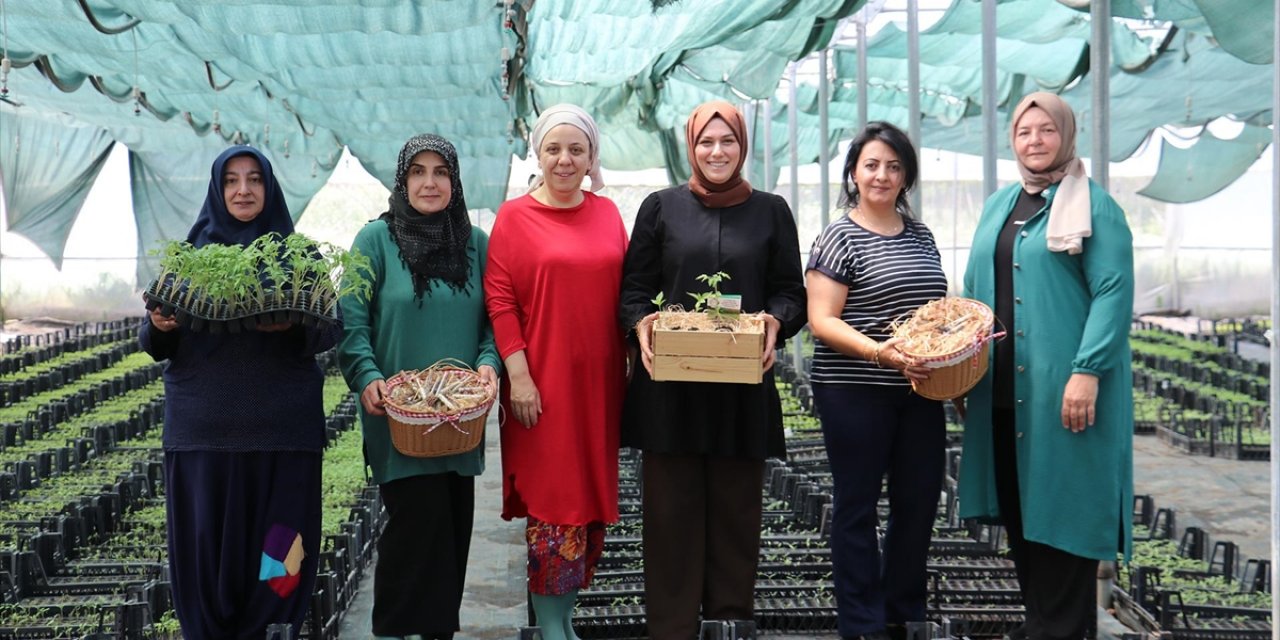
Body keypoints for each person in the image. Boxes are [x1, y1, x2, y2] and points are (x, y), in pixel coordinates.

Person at [621, 100, 807, 639]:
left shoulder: (771, 211)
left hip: (741, 389)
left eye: (727, 141)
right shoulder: (661, 208)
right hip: (673, 389)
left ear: (743, 146)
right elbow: (634, 289)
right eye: (707, 142)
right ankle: (673, 629)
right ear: (691, 147)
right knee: (670, 519)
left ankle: (730, 623)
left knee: (736, 517)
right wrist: (643, 325)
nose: (717, 151)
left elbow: (790, 291)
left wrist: (776, 323)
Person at [140, 145, 340, 640]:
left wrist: (293, 324)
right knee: (203, 550)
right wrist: (159, 321)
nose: (243, 190)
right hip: (203, 435)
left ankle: (271, 628)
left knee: (281, 553)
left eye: (254, 180)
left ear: (270, 189)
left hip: (282, 436)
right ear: (217, 189)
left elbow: (329, 330)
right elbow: (154, 342)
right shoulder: (190, 258)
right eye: (231, 181)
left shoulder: (298, 258)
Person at [958, 92, 1134, 640]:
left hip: (1065, 389)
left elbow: (1112, 291)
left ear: (1066, 134)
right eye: (1024, 132)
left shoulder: (1093, 205)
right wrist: (964, 363)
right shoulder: (999, 204)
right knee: (1022, 516)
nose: (1034, 141)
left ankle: (1054, 629)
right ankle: (1049, 625)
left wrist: (1087, 370)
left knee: (1066, 516)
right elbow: (972, 291)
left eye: (1046, 131)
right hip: (1003, 388)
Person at [337, 134, 500, 640]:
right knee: (413, 542)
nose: (430, 183)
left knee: (451, 543)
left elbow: (496, 320)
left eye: (441, 173)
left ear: (454, 180)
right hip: (399, 420)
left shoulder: (475, 244)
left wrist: (490, 361)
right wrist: (367, 375)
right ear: (402, 180)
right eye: (418, 172)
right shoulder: (375, 241)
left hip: (459, 420)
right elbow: (351, 321)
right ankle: (394, 631)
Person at [483, 104, 627, 640]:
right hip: (542, 391)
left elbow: (624, 295)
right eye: (554, 149)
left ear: (591, 158)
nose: (565, 160)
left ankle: (564, 622)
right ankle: (550, 628)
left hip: (600, 388)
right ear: (538, 155)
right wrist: (519, 378)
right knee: (553, 509)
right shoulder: (515, 217)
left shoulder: (608, 214)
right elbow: (500, 303)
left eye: (577, 149)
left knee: (586, 506)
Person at [804, 121, 948, 640]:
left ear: (906, 175)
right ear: (853, 172)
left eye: (893, 166)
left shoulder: (920, 234)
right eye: (872, 165)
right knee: (857, 505)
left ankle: (902, 609)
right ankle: (861, 621)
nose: (882, 175)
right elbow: (822, 319)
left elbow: (933, 311)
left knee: (919, 501)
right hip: (854, 391)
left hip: (919, 391)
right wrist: (881, 354)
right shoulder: (839, 235)